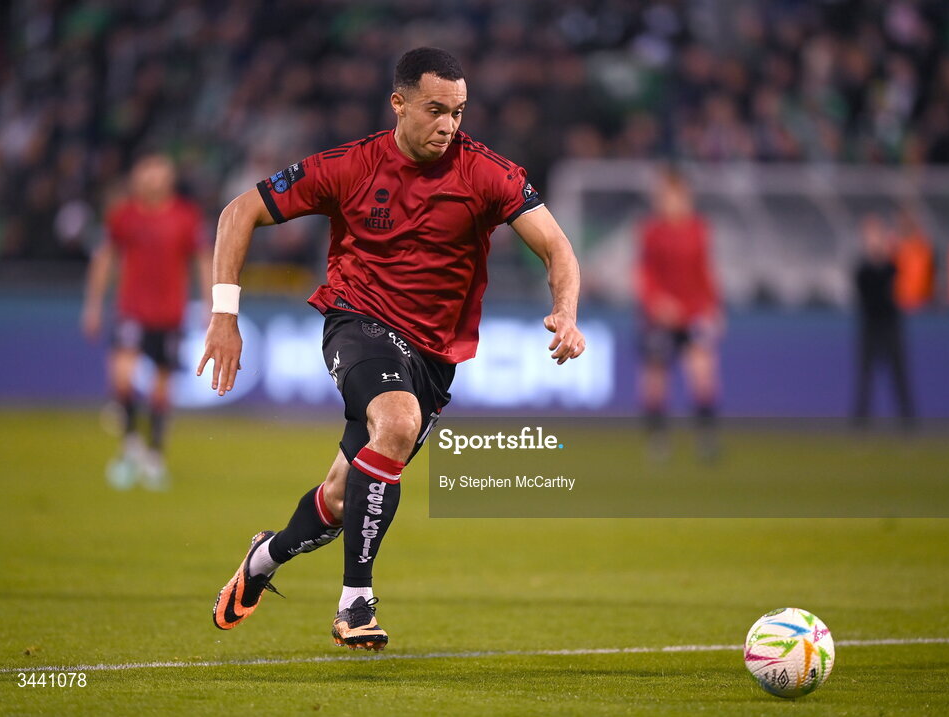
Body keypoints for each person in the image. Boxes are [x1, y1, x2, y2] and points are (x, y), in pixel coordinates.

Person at [198, 48, 585, 650]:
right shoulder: (349, 166)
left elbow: (558, 248)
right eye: (435, 110)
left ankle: (262, 561)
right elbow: (237, 212)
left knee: (340, 493)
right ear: (398, 104)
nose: (448, 126)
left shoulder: (488, 173)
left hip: (433, 356)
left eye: (458, 112)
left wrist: (565, 311)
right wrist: (224, 314)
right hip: (358, 321)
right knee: (397, 423)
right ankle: (355, 602)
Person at [81, 154, 211, 489]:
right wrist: (93, 304)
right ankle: (130, 445)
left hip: (170, 314)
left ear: (168, 177)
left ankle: (153, 455)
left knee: (161, 387)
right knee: (122, 376)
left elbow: (202, 260)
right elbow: (105, 258)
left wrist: (213, 304)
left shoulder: (185, 216)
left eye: (156, 170)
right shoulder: (124, 215)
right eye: (145, 170)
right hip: (131, 312)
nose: (150, 177)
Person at [635, 168, 722, 460]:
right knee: (656, 375)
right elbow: (644, 273)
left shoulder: (699, 229)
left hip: (693, 313)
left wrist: (713, 308)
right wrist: (655, 302)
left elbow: (706, 272)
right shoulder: (652, 231)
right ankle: (657, 438)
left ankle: (706, 437)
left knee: (702, 372)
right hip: (660, 316)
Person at [851, 214, 915, 425]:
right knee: (865, 378)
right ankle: (861, 425)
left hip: (890, 326)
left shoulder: (892, 268)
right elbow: (868, 293)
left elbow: (900, 287)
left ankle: (907, 424)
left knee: (899, 376)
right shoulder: (862, 270)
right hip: (870, 326)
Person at [892, 208, 935, 312]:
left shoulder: (923, 246)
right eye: (903, 221)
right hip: (900, 302)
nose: (905, 224)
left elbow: (930, 274)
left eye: (909, 221)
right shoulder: (894, 247)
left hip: (921, 303)